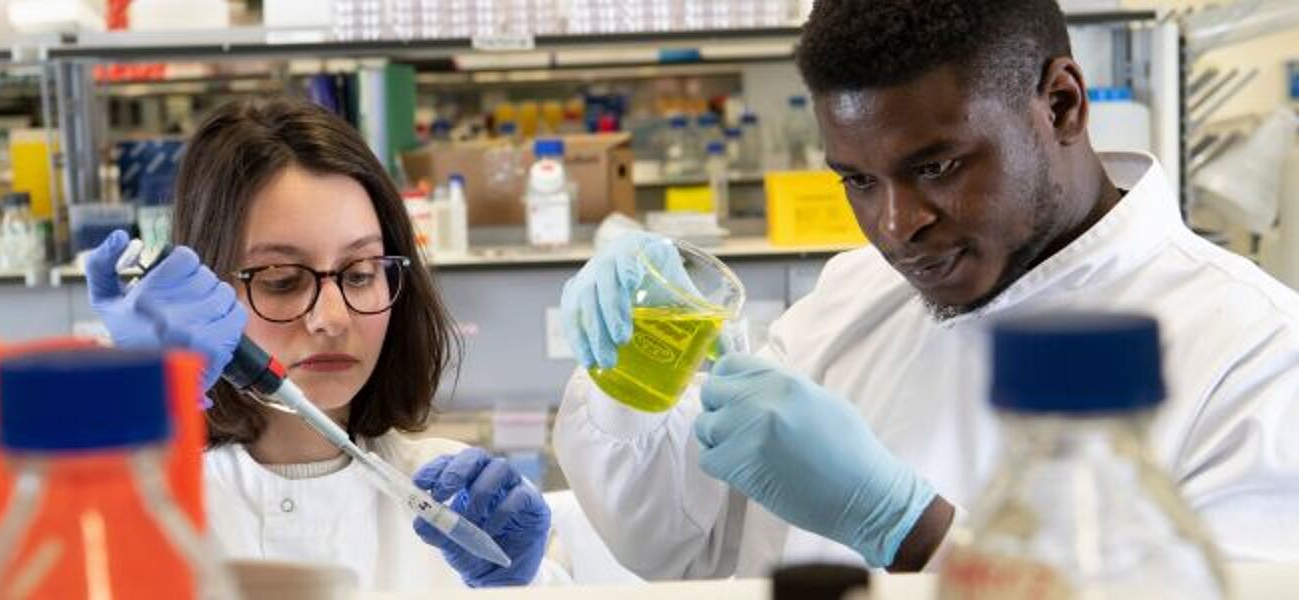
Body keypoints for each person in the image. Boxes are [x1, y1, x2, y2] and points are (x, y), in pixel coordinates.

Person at [554, 0, 1299, 579]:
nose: (895, 226)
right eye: (857, 180)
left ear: (1062, 105)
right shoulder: (855, 294)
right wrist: (631, 369)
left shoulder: (1254, 354)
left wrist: (910, 529)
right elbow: (680, 544)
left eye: (936, 167)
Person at [83, 98, 565, 589]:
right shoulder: (152, 502)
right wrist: (139, 407)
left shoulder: (455, 504)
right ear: (206, 290)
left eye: (360, 274)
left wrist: (524, 588)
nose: (332, 318)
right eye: (282, 280)